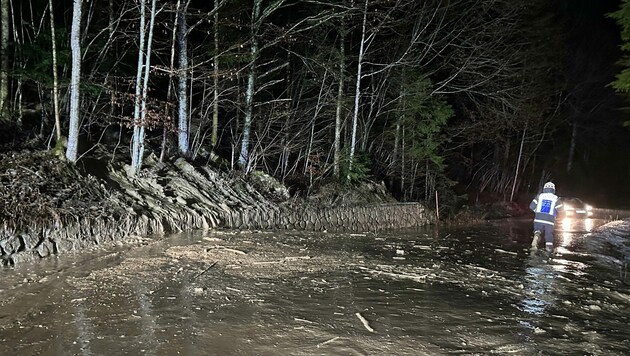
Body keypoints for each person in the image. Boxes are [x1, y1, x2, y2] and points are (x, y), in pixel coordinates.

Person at [529, 181, 563, 250]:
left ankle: (537, 235)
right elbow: (560, 209)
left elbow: (531, 206)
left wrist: (537, 211)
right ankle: (549, 248)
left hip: (538, 218)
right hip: (549, 220)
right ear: (553, 189)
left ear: (544, 188)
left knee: (537, 230)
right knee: (548, 234)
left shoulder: (539, 196)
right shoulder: (556, 198)